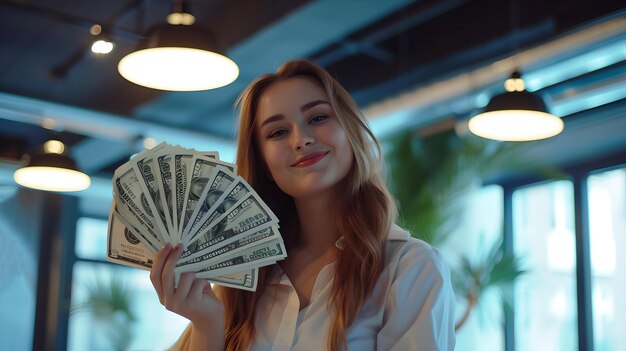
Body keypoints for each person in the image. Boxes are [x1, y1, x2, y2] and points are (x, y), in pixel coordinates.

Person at [150, 60, 456, 351]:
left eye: (318, 118)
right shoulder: (240, 283)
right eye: (278, 132)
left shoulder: (410, 268)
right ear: (264, 162)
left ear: (350, 132)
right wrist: (206, 324)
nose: (301, 139)